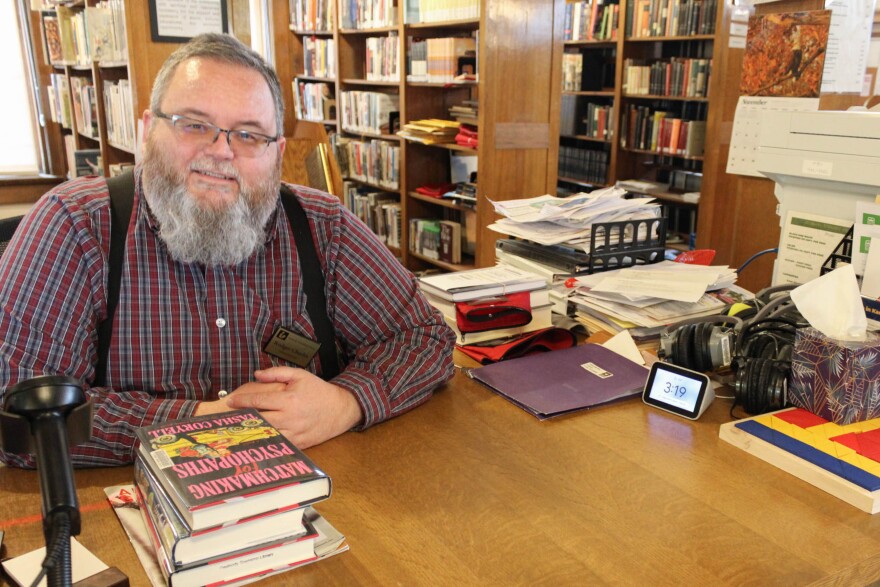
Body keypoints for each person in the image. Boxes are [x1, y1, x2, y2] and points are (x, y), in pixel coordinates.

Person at [0, 33, 455, 468]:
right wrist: (201, 424)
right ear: (147, 130)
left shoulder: (323, 226)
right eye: (194, 125)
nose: (221, 151)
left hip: (321, 493)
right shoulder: (75, 225)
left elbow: (424, 338)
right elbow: (15, 415)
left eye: (249, 134)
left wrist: (346, 402)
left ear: (277, 152)